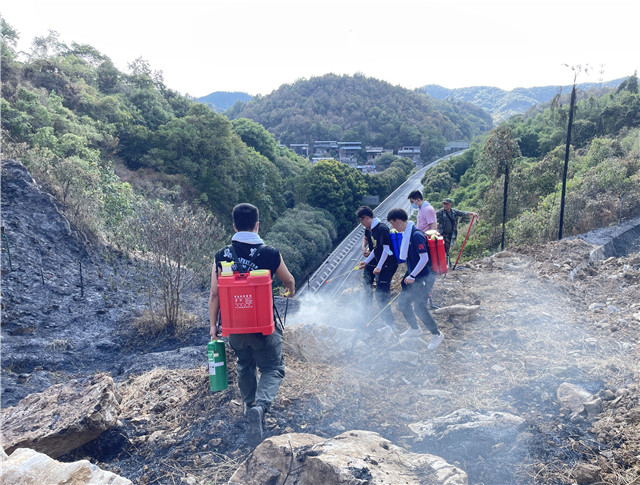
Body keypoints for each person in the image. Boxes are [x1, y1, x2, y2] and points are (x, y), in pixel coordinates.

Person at [209, 203, 295, 444]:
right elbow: (288, 280)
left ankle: (249, 409)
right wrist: (290, 290)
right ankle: (261, 407)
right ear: (257, 225)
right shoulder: (270, 252)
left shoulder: (221, 255)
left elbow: (215, 294)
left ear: (234, 225)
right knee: (273, 368)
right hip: (263, 327)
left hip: (234, 327)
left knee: (244, 364)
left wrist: (214, 326)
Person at [386, 208, 444, 349]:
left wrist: (412, 275)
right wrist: (409, 275)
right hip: (413, 275)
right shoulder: (407, 234)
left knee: (419, 307)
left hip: (424, 277)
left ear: (398, 221)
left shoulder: (416, 235)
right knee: (403, 303)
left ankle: (436, 334)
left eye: (393, 224)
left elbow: (424, 259)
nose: (393, 227)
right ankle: (414, 329)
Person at [356, 206, 398, 332]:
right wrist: (366, 262)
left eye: (361, 221)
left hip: (388, 266)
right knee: (379, 293)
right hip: (381, 265)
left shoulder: (381, 228)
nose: (361, 224)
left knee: (381, 295)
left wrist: (379, 266)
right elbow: (376, 249)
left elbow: (386, 249)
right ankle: (387, 323)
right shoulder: (371, 229)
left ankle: (391, 326)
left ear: (367, 218)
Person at [436, 198, 478, 263]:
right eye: (444, 204)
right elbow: (432, 217)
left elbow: (463, 213)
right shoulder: (440, 212)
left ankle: (446, 263)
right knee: (442, 249)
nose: (445, 205)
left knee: (447, 248)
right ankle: (444, 263)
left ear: (450, 204)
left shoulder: (454, 212)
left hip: (451, 234)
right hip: (442, 234)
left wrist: (472, 213)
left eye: (447, 204)